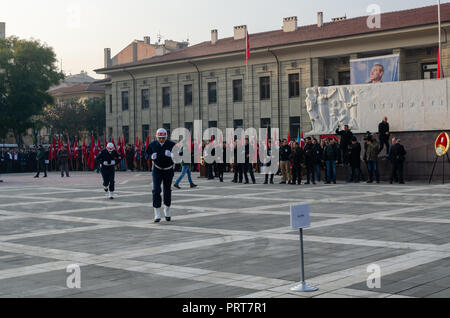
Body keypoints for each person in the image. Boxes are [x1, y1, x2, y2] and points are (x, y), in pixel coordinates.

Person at [145, 128, 176, 223]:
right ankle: (157, 212)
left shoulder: (172, 144)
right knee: (156, 190)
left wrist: (172, 154)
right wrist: (150, 157)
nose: (161, 140)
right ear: (157, 137)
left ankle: (167, 209)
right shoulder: (152, 145)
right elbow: (145, 154)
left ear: (166, 137)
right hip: (157, 169)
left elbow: (181, 154)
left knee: (167, 190)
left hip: (168, 169)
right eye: (159, 138)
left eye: (163, 138)